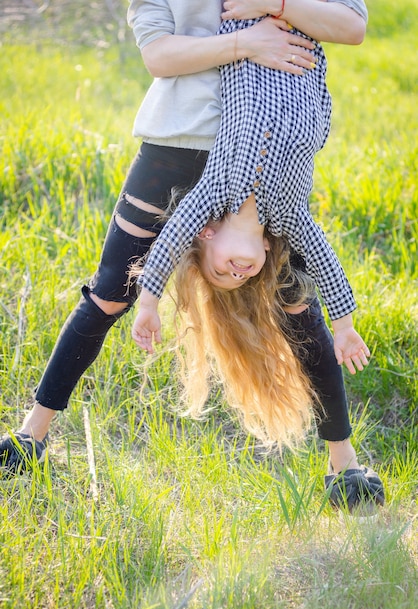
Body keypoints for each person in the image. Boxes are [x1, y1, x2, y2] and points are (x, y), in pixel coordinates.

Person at [0, 0, 384, 513]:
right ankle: (31, 437)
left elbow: (353, 25)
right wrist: (247, 43)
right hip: (176, 148)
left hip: (270, 155)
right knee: (111, 292)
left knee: (296, 305)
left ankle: (344, 464)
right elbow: (158, 54)